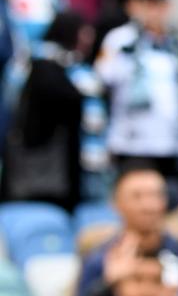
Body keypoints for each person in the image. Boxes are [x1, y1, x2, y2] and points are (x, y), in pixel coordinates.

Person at [96, 0, 178, 199]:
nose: (153, 10)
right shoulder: (119, 40)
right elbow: (103, 79)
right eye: (148, 3)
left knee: (172, 207)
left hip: (173, 143)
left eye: (159, 3)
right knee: (137, 204)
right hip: (133, 143)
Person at [1, 12, 108, 211]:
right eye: (84, 33)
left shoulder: (76, 67)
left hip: (75, 164)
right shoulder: (42, 66)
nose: (88, 39)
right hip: (45, 163)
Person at [77, 162, 178, 296]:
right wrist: (108, 284)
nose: (148, 206)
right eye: (137, 196)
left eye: (156, 195)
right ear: (115, 203)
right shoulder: (100, 261)